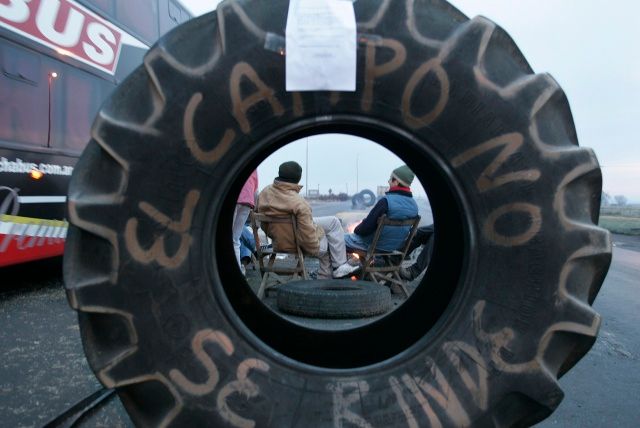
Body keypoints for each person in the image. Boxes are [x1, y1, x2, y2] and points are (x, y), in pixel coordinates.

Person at [256, 161, 359, 279]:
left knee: (333, 222)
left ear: (279, 174)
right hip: (294, 243)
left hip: (277, 238)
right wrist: (317, 241)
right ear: (298, 179)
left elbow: (261, 222)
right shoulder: (298, 202)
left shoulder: (264, 193)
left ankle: (337, 268)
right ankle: (332, 272)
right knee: (329, 239)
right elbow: (308, 239)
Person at [345, 165, 419, 253]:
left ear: (396, 182)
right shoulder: (414, 205)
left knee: (341, 239)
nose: (388, 181)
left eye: (391, 179)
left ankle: (339, 265)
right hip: (394, 247)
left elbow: (367, 228)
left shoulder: (386, 201)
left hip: (372, 245)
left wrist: (356, 230)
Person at [233, 169, 258, 274]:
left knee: (233, 238)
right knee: (235, 239)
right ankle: (239, 270)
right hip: (248, 200)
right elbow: (255, 188)